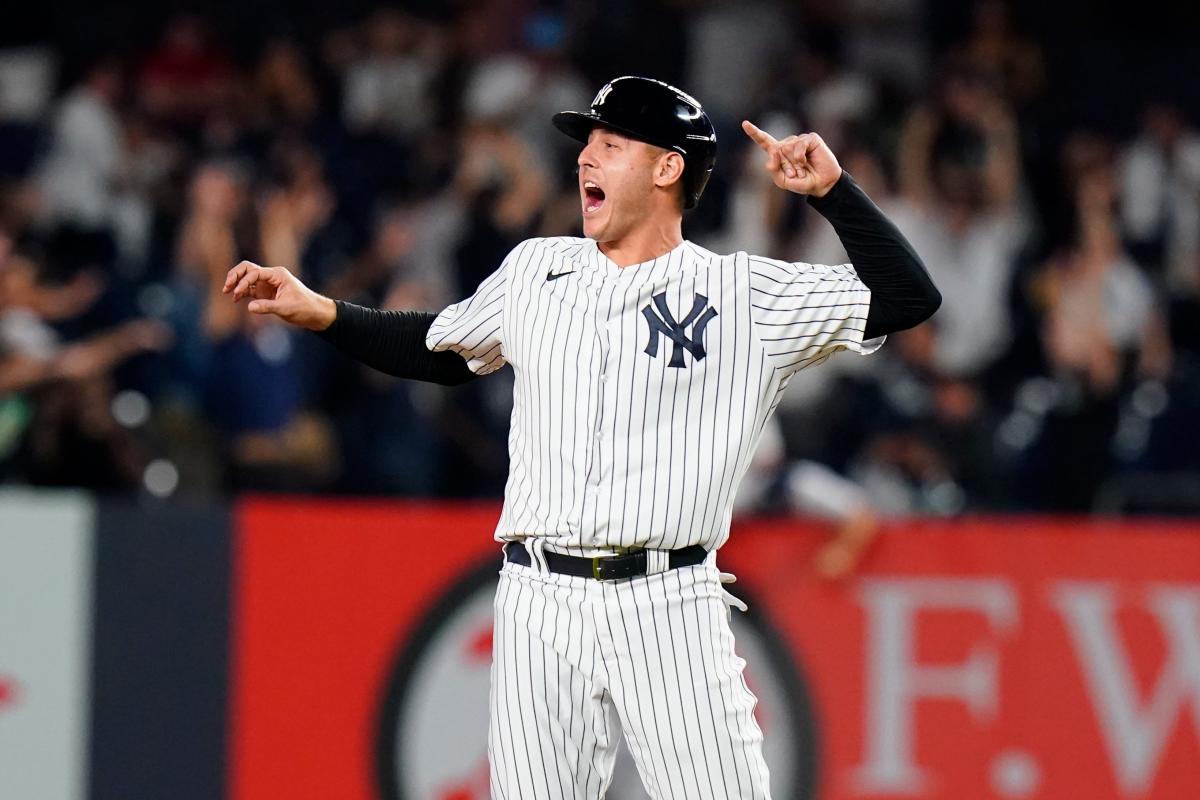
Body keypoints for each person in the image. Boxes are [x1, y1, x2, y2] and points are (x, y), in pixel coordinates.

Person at [223, 76, 939, 798]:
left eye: (610, 143)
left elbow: (910, 296)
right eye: (586, 143)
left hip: (669, 602)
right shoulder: (539, 268)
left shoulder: (741, 294)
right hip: (539, 598)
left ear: (667, 168)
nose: (586, 159)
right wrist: (322, 312)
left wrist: (832, 192)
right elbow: (440, 351)